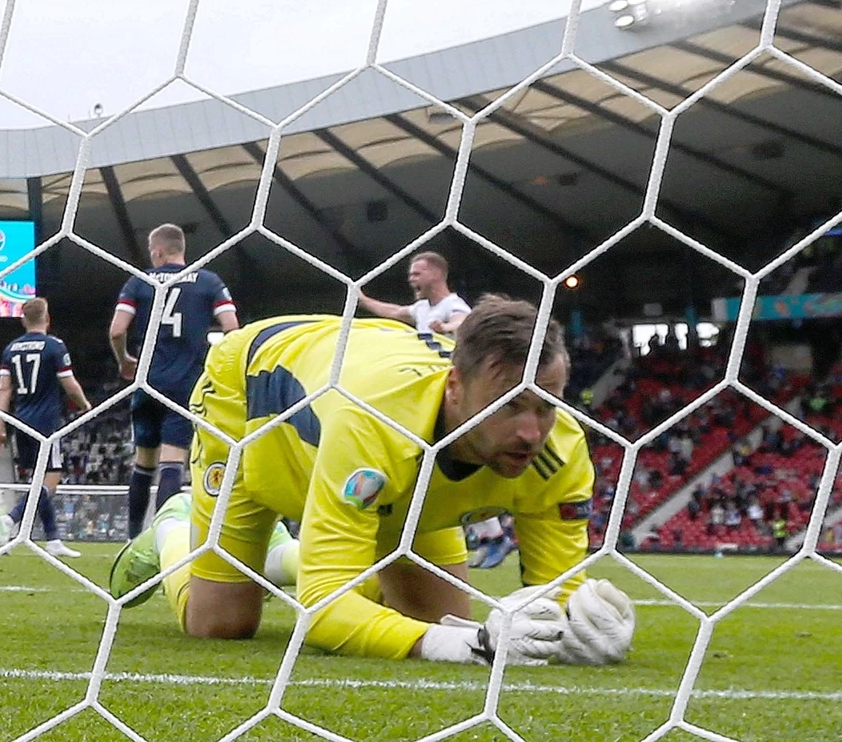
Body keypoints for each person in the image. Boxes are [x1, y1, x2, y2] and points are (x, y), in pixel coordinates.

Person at [110, 296, 635, 666]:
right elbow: (320, 614)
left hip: (398, 451)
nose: (531, 431)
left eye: (547, 406)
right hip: (254, 387)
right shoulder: (374, 427)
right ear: (456, 387)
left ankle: (281, 555)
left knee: (440, 619)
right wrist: (469, 646)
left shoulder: (562, 447)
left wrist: (583, 628)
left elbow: (554, 592)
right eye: (508, 407)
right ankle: (175, 527)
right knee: (221, 625)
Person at [109, 223, 239, 538]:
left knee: (144, 461)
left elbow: (116, 330)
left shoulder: (139, 281)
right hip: (186, 384)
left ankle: (133, 536)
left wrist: (124, 359)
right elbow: (233, 328)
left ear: (157, 251)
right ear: (181, 249)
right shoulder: (209, 281)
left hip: (147, 381)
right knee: (173, 461)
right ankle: (162, 539)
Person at [0, 297, 92, 559]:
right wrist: (85, 405)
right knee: (51, 480)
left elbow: (4, 390)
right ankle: (10, 520)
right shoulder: (54, 346)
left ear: (24, 320)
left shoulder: (10, 349)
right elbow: (69, 383)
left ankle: (53, 539)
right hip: (46, 423)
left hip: (20, 421)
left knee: (38, 480)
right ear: (47, 318)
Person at [358, 251, 470, 336]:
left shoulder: (453, 304)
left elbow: (463, 322)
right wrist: (362, 300)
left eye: (416, 274)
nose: (411, 279)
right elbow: (394, 311)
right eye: (410, 275)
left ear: (436, 274)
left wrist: (445, 327)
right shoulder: (421, 307)